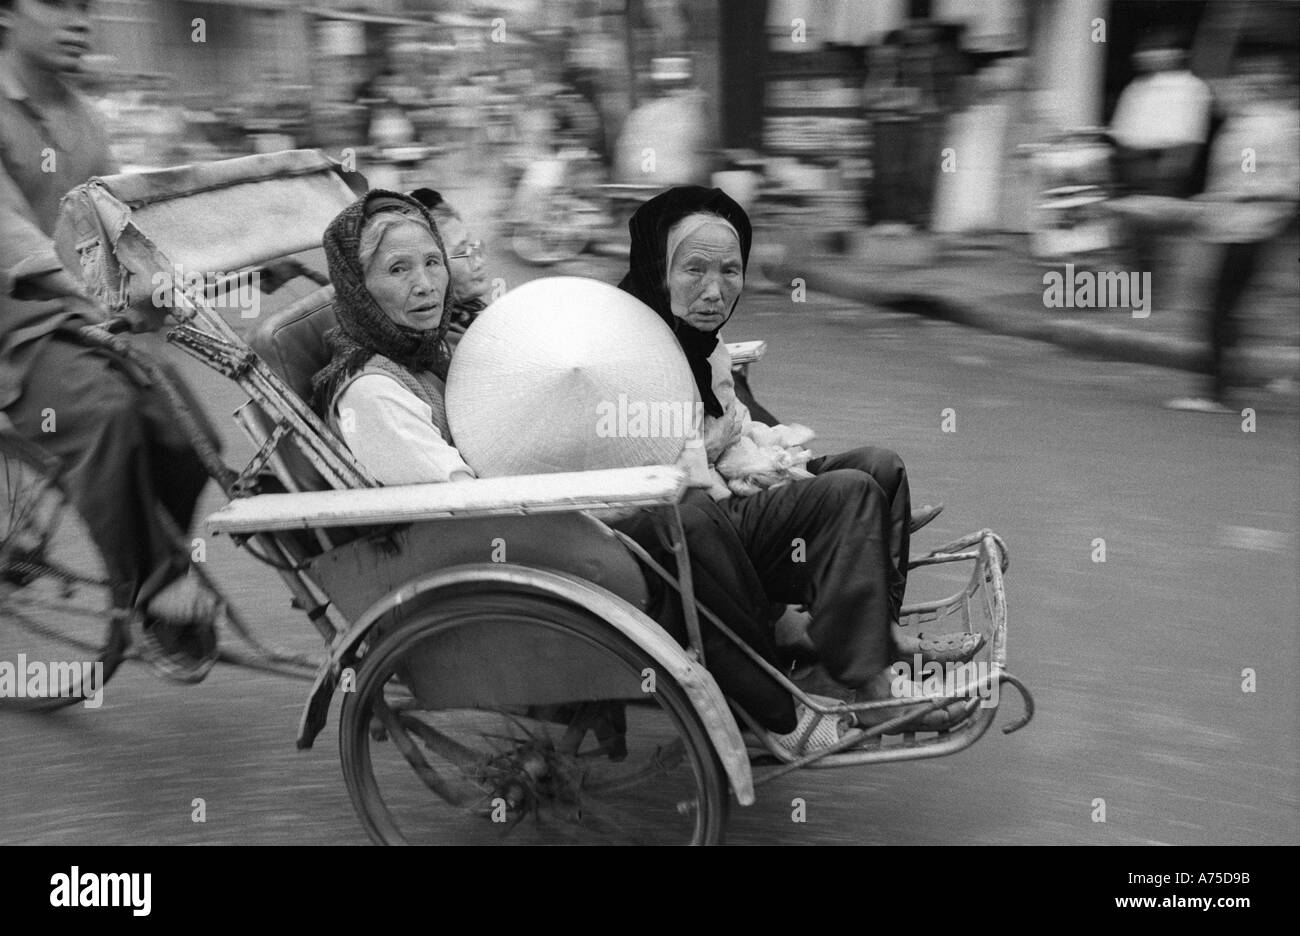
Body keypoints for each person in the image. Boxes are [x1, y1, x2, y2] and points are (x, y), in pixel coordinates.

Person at [310, 190, 804, 744]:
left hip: (524, 517)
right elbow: (459, 499)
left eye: (432, 262)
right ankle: (773, 708)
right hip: (491, 544)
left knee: (692, 504)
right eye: (398, 270)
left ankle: (768, 662)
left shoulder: (428, 349)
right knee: (684, 521)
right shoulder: (374, 394)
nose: (425, 283)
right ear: (357, 287)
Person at [617, 186, 972, 728]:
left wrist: (773, 454)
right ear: (657, 269)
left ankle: (869, 637)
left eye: (730, 272)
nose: (715, 290)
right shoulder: (635, 354)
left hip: (732, 493)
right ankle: (872, 687)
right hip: (696, 527)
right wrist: (744, 468)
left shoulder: (703, 345)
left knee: (880, 466)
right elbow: (668, 473)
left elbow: (735, 425)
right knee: (848, 495)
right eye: (694, 270)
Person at [0, 0, 218, 680]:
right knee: (109, 413)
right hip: (16, 329)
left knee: (190, 435)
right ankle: (148, 589)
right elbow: (13, 239)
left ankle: (157, 562)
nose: (79, 21)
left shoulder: (84, 115)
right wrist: (97, 290)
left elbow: (120, 216)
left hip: (79, 319)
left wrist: (199, 262)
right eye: (58, 4)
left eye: (86, 8)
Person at [1165, 47, 1300, 413]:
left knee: (1220, 308)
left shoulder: (1271, 125)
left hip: (1247, 228)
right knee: (1228, 307)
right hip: (1234, 226)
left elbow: (1276, 181)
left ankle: (1213, 392)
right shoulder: (1250, 121)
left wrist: (1245, 197)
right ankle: (1226, 383)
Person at [1109, 28, 1214, 304]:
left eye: (1157, 49)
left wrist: (1174, 168)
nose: (1147, 56)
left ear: (1177, 54)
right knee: (1130, 228)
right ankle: (1139, 285)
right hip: (1133, 159)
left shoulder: (1192, 88)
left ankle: (1155, 290)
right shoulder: (1137, 88)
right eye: (1145, 50)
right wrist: (1125, 162)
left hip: (1167, 160)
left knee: (1157, 230)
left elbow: (1191, 134)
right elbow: (1123, 129)